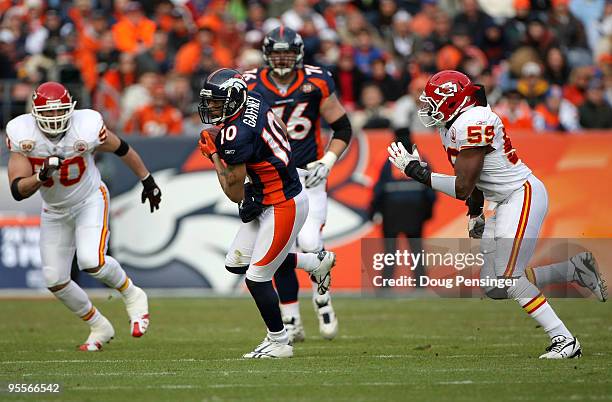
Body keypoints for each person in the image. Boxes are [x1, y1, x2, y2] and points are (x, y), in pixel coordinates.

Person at [387, 70, 607, 359]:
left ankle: (565, 340)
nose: (428, 108)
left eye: (434, 101)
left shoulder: (473, 121)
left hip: (521, 194)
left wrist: (417, 172)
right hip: (502, 200)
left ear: (453, 101)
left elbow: (463, 186)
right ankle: (573, 269)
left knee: (507, 277)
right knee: (494, 286)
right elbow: (474, 178)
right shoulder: (452, 124)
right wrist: (475, 212)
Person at [6, 82, 162, 351]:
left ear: (71, 109)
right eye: (48, 113)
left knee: (92, 260)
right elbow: (18, 190)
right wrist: (41, 175)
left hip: (89, 199)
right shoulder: (22, 133)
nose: (55, 119)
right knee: (54, 280)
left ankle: (132, 293)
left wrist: (147, 180)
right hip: (54, 210)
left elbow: (121, 147)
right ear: (35, 113)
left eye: (60, 112)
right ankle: (98, 325)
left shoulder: (86, 126)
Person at [197, 68, 337, 358]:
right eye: (209, 101)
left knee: (256, 278)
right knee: (237, 264)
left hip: (282, 203)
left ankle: (279, 342)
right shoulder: (255, 99)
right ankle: (313, 262)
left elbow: (233, 192)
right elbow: (281, 134)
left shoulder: (234, 135)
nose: (211, 107)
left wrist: (213, 155)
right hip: (268, 195)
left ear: (233, 99)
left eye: (217, 101)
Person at [243, 26, 352, 343]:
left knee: (310, 244)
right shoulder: (251, 84)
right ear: (266, 54)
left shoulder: (316, 79)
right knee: (279, 250)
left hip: (309, 175)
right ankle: (291, 320)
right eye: (276, 54)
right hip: (274, 179)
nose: (282, 60)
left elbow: (343, 127)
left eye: (287, 54)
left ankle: (322, 298)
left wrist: (327, 161)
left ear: (299, 54)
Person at [370, 134, 436, 287]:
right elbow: (431, 188)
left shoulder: (387, 161)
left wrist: (374, 210)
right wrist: (427, 212)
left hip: (391, 211)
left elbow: (378, 189)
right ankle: (420, 284)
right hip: (415, 211)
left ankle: (386, 285)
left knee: (390, 251)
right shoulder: (421, 160)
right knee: (416, 250)